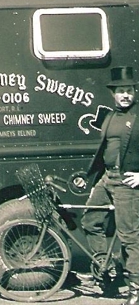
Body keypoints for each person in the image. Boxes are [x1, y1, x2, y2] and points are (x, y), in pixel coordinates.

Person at [80, 66, 139, 305]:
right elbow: (105, 148)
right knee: (90, 221)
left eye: (129, 90)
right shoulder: (111, 116)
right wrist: (95, 177)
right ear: (113, 93)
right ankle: (105, 267)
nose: (125, 95)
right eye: (121, 91)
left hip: (127, 183)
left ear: (134, 92)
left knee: (129, 237)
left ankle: (135, 289)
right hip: (108, 179)